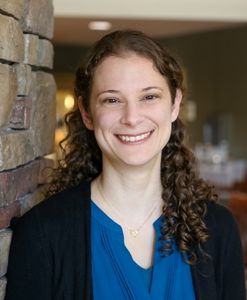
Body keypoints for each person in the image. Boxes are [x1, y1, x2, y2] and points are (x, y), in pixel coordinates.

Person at [5, 30, 246, 300]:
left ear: (175, 104)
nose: (132, 117)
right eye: (112, 100)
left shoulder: (218, 228)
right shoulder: (42, 233)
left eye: (149, 97)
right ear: (87, 113)